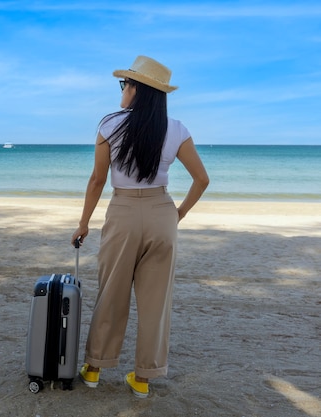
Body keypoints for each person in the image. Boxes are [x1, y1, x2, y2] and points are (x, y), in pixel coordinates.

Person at [71, 55, 209, 398]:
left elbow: (97, 180)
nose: (123, 89)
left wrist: (83, 223)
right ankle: (143, 378)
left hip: (123, 212)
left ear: (138, 89)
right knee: (155, 301)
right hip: (162, 212)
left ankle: (94, 368)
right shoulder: (177, 128)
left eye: (126, 84)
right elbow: (201, 180)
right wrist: (177, 215)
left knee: (112, 290)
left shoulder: (110, 125)